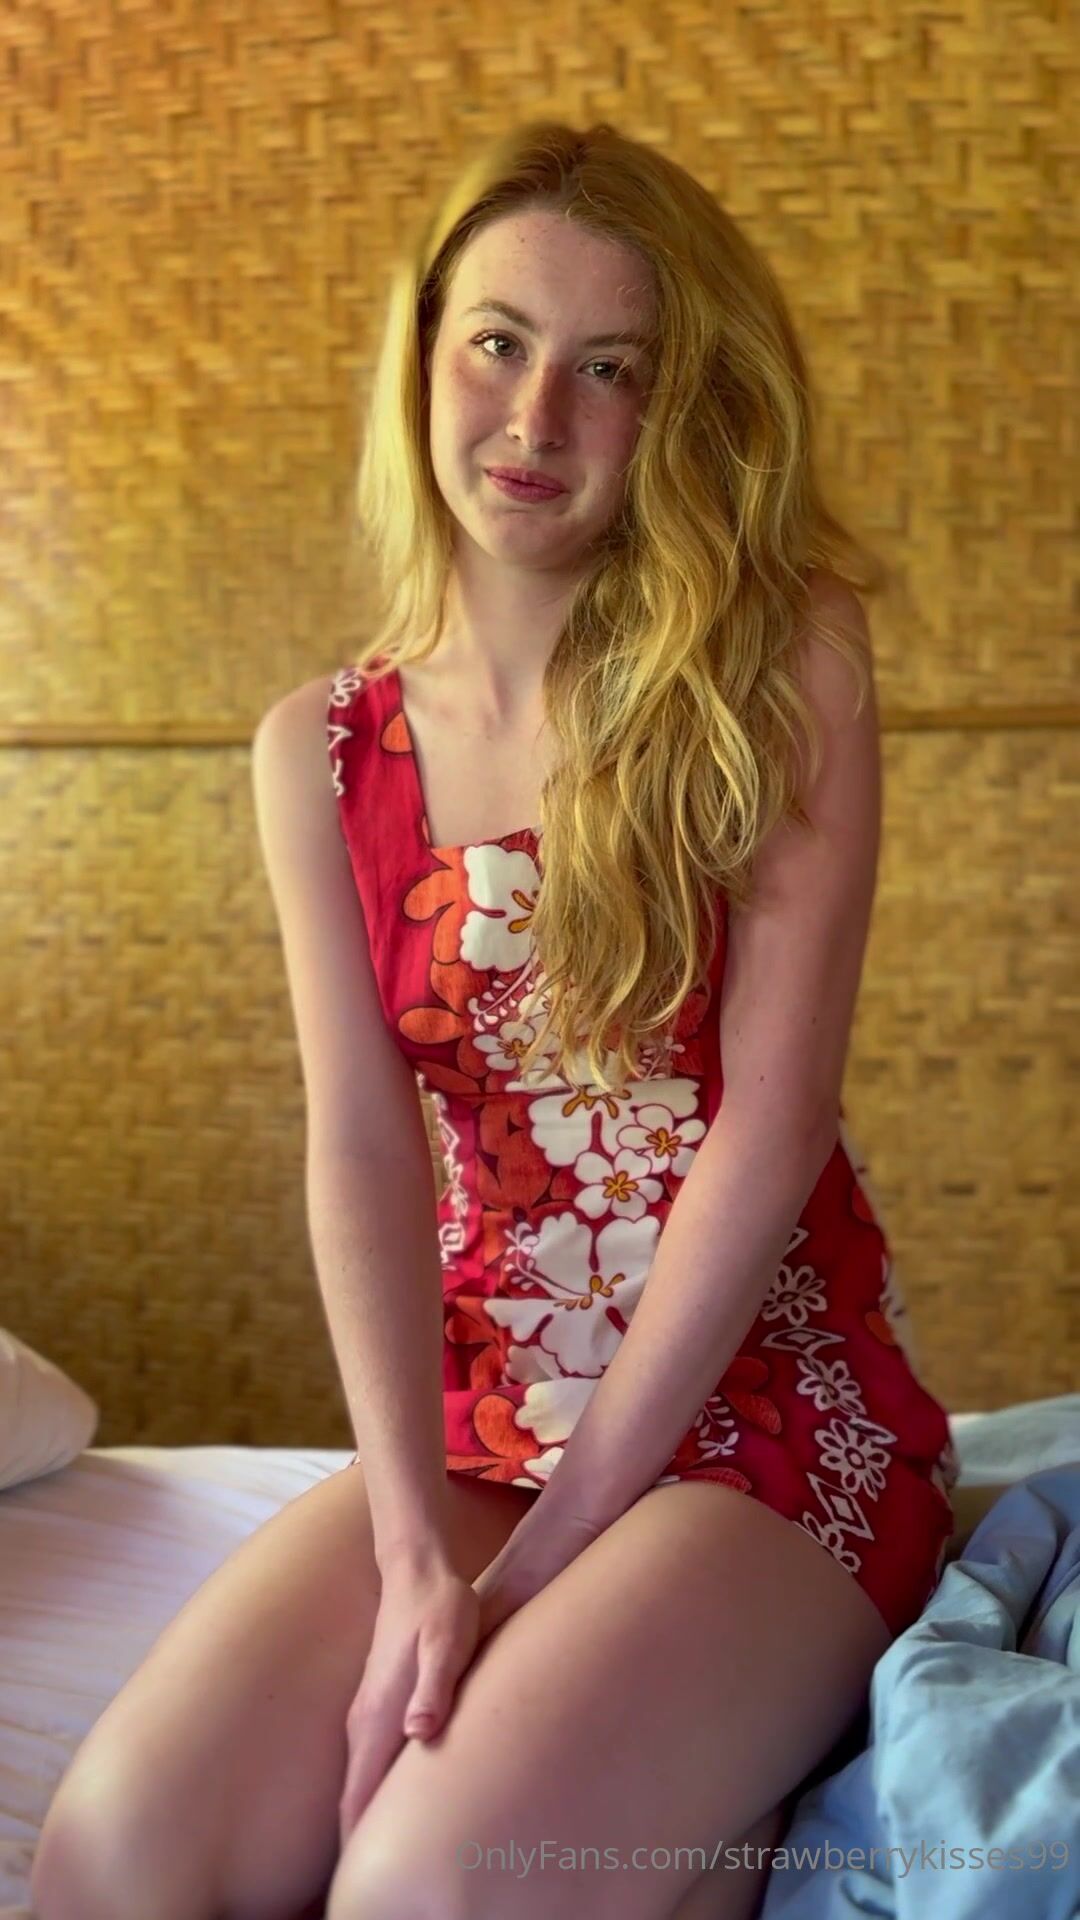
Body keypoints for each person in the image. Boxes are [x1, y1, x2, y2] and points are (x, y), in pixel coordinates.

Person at [32, 119, 958, 1920]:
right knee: (115, 1855)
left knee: (425, 1885)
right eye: (500, 343)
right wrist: (410, 1553)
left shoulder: (781, 670)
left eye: (611, 369)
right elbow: (362, 1147)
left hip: (775, 1416)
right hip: (482, 1423)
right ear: (422, 357)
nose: (536, 418)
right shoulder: (320, 751)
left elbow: (768, 1135)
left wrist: (539, 1578)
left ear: (676, 408)